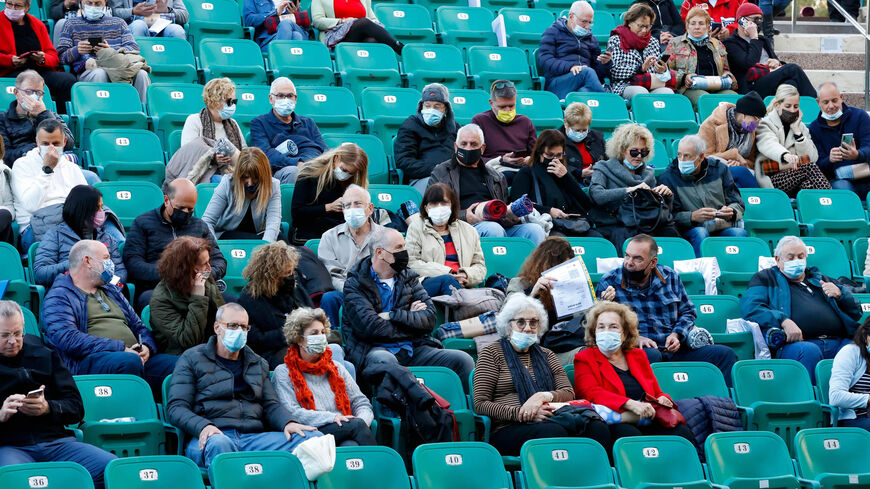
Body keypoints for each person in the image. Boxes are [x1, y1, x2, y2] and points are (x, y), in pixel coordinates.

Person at [166, 302, 322, 469]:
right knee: (220, 444)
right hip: (211, 436)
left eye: (243, 327)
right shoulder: (192, 358)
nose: (239, 331)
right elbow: (176, 407)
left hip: (253, 438)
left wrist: (288, 423)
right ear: (217, 327)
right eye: (232, 326)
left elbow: (271, 405)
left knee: (312, 439)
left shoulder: (257, 362)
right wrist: (204, 426)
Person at [472, 293, 611, 456]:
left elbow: (568, 392)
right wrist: (524, 414)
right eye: (520, 322)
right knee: (553, 431)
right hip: (507, 427)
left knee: (597, 427)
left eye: (533, 322)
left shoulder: (547, 355)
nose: (527, 327)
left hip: (551, 417)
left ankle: (595, 478)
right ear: (508, 327)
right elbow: (481, 404)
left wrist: (542, 397)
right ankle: (560, 480)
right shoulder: (491, 353)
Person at [0, 300, 116, 489]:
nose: (13, 341)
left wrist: (48, 408)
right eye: (4, 335)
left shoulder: (44, 355)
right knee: (17, 480)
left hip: (56, 442)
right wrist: (1, 415)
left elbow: (76, 408)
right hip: (10, 446)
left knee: (111, 468)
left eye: (17, 333)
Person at [598, 234, 737, 384]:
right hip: (637, 351)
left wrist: (677, 334)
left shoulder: (669, 276)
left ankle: (721, 403)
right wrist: (634, 338)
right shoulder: (610, 282)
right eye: (627, 256)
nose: (629, 263)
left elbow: (688, 311)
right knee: (652, 356)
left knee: (724, 354)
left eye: (637, 258)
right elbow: (601, 327)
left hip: (674, 348)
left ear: (653, 263)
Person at [342, 228, 475, 384]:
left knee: (462, 360)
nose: (404, 252)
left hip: (413, 348)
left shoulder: (409, 277)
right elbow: (371, 328)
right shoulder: (355, 283)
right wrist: (410, 318)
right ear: (379, 252)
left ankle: (465, 406)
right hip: (374, 349)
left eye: (404, 246)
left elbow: (429, 319)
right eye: (399, 248)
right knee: (385, 361)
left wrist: (392, 315)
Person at [41, 240, 177, 390]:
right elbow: (68, 338)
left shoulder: (111, 290)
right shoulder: (59, 295)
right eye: (106, 258)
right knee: (129, 361)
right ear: (88, 261)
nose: (111, 263)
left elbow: (139, 326)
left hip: (133, 356)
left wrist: (146, 346)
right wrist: (119, 348)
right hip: (89, 363)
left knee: (181, 364)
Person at [740, 236, 861, 381]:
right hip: (797, 344)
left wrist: (841, 295)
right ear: (778, 260)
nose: (796, 261)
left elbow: (857, 311)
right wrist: (783, 320)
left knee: (859, 349)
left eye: (800, 256)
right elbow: (751, 308)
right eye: (790, 257)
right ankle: (812, 399)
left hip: (838, 341)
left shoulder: (822, 279)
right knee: (809, 350)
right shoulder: (765, 278)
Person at [574, 300, 696, 442]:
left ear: (625, 333)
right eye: (601, 327)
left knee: (682, 434)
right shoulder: (584, 358)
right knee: (630, 436)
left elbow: (656, 392)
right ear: (594, 332)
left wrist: (664, 398)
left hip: (647, 417)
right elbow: (590, 392)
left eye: (613, 327)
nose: (606, 331)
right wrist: (630, 404)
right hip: (617, 420)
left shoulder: (638, 355)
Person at [272, 307, 375, 446]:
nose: (320, 337)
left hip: (347, 427)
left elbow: (360, 402)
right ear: (299, 339)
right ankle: (381, 467)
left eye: (322, 332)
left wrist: (361, 420)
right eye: (314, 333)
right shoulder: (283, 372)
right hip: (311, 431)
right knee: (356, 429)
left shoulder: (336, 368)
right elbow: (292, 412)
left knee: (351, 445)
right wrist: (333, 418)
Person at [429, 124, 546, 246]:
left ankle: (531, 265)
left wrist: (511, 216)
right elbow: (434, 210)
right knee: (493, 229)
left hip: (496, 225)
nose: (468, 149)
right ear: (455, 147)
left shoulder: (496, 176)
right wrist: (465, 216)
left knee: (535, 231)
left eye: (474, 144)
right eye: (463, 144)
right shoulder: (441, 172)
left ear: (482, 148)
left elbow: (502, 212)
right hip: (460, 227)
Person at [124, 178, 227, 310]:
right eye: (180, 208)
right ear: (167, 200)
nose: (185, 212)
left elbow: (219, 260)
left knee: (231, 303)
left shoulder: (199, 226)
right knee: (147, 300)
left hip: (196, 288)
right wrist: (173, 275)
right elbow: (133, 262)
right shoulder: (143, 223)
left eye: (190, 209)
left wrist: (201, 276)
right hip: (159, 288)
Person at [588, 123, 678, 248]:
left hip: (642, 223)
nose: (639, 156)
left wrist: (666, 196)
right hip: (614, 224)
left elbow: (653, 208)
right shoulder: (603, 168)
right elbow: (597, 195)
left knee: (670, 231)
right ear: (622, 149)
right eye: (634, 152)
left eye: (644, 152)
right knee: (628, 235)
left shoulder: (648, 174)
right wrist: (629, 190)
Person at [657, 135, 748, 257]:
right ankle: (704, 272)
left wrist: (732, 211)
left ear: (701, 157)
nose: (682, 160)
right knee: (700, 232)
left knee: (739, 233)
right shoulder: (668, 177)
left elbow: (738, 202)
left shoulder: (719, 169)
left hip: (721, 226)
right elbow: (668, 216)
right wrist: (692, 216)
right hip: (688, 230)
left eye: (687, 156)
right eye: (679, 155)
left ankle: (737, 274)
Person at [507, 237, 590, 363]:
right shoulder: (519, 284)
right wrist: (533, 295)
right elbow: (507, 318)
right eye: (559, 267)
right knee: (585, 355)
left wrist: (601, 302)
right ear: (545, 265)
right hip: (536, 349)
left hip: (564, 343)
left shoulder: (570, 285)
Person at [11, 118, 87, 252]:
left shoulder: (72, 168)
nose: (51, 148)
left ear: (64, 142)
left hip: (69, 222)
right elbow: (31, 205)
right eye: (45, 143)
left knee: (108, 224)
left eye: (56, 143)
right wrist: (47, 170)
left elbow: (87, 202)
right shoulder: (21, 165)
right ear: (37, 142)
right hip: (34, 226)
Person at [54, 0, 151, 103]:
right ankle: (101, 112)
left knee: (141, 74)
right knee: (100, 73)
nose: (93, 6)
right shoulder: (70, 24)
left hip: (118, 67)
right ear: (81, 2)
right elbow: (60, 57)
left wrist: (111, 51)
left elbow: (134, 48)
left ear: (105, 2)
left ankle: (143, 113)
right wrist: (76, 50)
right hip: (90, 69)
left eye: (97, 3)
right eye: (89, 3)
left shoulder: (119, 23)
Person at [237, 241, 314, 368]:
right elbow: (256, 340)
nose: (291, 277)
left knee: (334, 349)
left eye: (291, 271)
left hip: (304, 343)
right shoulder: (250, 299)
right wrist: (292, 333)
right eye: (286, 273)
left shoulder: (295, 289)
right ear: (271, 276)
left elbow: (312, 315)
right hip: (273, 353)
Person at [510, 129, 600, 237]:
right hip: (546, 225)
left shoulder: (563, 171)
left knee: (597, 237)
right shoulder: (528, 172)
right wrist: (548, 210)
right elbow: (517, 204)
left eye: (559, 155)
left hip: (570, 224)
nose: (555, 159)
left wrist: (566, 177)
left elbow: (585, 203)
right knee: (560, 241)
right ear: (540, 152)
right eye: (550, 155)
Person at [317, 184, 384, 329]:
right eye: (347, 205)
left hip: (378, 293)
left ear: (370, 208)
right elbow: (332, 275)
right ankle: (335, 342)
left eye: (358, 204)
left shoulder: (387, 236)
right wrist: (353, 291)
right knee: (329, 298)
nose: (352, 209)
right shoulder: (329, 237)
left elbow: (393, 271)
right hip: (345, 292)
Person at [33, 184, 127, 287]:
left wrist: (102, 282)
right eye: (97, 208)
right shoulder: (55, 236)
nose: (102, 212)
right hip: (68, 294)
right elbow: (40, 274)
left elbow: (120, 273)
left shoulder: (106, 238)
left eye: (101, 207)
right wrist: (74, 263)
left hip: (102, 295)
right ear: (82, 210)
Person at [405, 182, 486, 299]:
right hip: (428, 284)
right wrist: (448, 273)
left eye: (444, 203)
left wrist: (465, 275)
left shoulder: (469, 230)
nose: (439, 207)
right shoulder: (416, 228)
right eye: (434, 203)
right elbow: (411, 263)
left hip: (462, 283)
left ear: (452, 205)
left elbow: (479, 266)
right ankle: (465, 311)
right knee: (447, 281)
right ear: (426, 208)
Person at [149, 236, 225, 356]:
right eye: (205, 264)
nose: (209, 268)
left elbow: (222, 317)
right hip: (180, 355)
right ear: (187, 269)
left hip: (212, 348)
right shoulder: (161, 300)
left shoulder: (204, 277)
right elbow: (189, 341)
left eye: (209, 262)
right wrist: (198, 298)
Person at [723, 3, 816, 98]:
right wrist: (754, 38)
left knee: (790, 84)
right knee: (793, 68)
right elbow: (749, 63)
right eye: (755, 19)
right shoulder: (730, 43)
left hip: (770, 78)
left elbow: (777, 63)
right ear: (741, 21)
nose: (758, 22)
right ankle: (818, 105)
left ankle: (802, 110)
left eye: (760, 19)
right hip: (751, 85)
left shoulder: (763, 40)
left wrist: (777, 62)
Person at [250, 77, 328, 185]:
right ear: (271, 99)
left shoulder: (308, 122)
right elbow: (265, 155)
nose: (285, 100)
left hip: (313, 164)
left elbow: (324, 149)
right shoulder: (259, 123)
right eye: (280, 96)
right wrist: (298, 163)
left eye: (290, 96)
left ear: (295, 99)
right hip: (283, 170)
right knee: (294, 171)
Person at [754, 83, 829, 194]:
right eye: (788, 106)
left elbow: (812, 157)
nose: (793, 111)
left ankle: (821, 208)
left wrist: (797, 132)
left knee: (808, 186)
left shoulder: (800, 126)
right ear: (777, 105)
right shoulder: (765, 123)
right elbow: (769, 144)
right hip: (772, 179)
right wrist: (786, 155)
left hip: (796, 178)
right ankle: (832, 200)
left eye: (796, 106)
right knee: (809, 168)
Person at [0, 0, 76, 108]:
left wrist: (43, 58)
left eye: (17, 6)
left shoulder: (37, 24)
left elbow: (53, 56)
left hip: (39, 71)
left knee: (67, 80)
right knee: (28, 82)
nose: (12, 8)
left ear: (27, 7)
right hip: (10, 72)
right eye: (9, 4)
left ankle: (60, 118)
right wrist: (10, 60)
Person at [290, 142, 368, 244]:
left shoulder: (352, 180)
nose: (346, 175)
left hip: (338, 232)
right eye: (344, 170)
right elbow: (297, 212)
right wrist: (329, 207)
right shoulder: (309, 173)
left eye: (351, 173)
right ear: (336, 158)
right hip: (308, 232)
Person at [663, 7, 738, 110]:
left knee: (735, 99)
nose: (697, 27)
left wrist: (727, 76)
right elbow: (666, 72)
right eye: (693, 23)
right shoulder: (675, 43)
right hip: (689, 88)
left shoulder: (718, 44)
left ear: (708, 27)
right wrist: (684, 77)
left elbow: (725, 70)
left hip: (717, 87)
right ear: (687, 26)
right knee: (704, 99)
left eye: (701, 23)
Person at [202, 147, 282, 242]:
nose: (250, 183)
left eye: (256, 178)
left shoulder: (273, 186)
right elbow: (207, 221)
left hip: (257, 235)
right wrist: (216, 248)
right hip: (226, 235)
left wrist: (266, 249)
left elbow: (273, 223)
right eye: (245, 177)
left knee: (281, 240)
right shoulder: (227, 183)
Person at [537, 1, 610, 100]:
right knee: (587, 72)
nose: (587, 26)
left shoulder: (591, 39)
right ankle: (606, 101)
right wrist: (570, 67)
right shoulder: (552, 32)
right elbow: (545, 60)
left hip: (583, 83)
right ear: (571, 16)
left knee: (583, 93)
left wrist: (605, 63)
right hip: (558, 83)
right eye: (584, 21)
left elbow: (598, 72)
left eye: (590, 22)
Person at [394, 83, 458, 193]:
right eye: (427, 106)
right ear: (421, 107)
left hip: (453, 178)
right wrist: (438, 169)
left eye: (437, 106)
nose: (431, 110)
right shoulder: (410, 125)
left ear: (446, 109)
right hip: (421, 179)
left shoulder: (454, 128)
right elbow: (404, 161)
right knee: (441, 189)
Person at [0, 71, 74, 165]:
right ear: (16, 92)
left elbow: (68, 144)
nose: (34, 96)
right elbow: (4, 156)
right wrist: (36, 150)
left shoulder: (51, 115)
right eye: (28, 92)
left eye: (38, 93)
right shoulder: (3, 119)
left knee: (90, 177)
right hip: (23, 167)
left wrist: (43, 115)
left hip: (55, 166)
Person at [809, 82, 870, 195]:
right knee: (843, 190)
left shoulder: (860, 116)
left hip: (865, 174)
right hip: (838, 180)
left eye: (834, 100)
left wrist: (858, 154)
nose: (831, 106)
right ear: (818, 103)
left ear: (841, 97)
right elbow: (816, 166)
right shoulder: (814, 129)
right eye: (826, 102)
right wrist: (830, 160)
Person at [697, 90, 767, 188]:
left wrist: (739, 163)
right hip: (711, 169)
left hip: (732, 175)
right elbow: (704, 157)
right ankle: (761, 199)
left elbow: (751, 161)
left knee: (737, 185)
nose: (758, 124)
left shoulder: (750, 131)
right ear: (744, 115)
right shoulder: (710, 125)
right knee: (741, 172)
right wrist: (733, 156)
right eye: (757, 119)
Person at [470, 80, 536, 181]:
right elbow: (473, 157)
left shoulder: (525, 122)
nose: (507, 110)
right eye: (502, 107)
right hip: (494, 170)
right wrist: (501, 160)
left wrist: (529, 159)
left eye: (511, 106)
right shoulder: (480, 121)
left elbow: (536, 154)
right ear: (491, 103)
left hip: (522, 170)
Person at [607, 3, 673, 102]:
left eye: (648, 26)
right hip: (626, 84)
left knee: (668, 93)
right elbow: (614, 71)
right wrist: (640, 69)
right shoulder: (616, 40)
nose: (644, 30)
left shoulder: (653, 41)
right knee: (641, 93)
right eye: (640, 26)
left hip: (651, 84)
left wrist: (662, 70)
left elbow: (659, 73)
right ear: (629, 22)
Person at [179, 77, 245, 155]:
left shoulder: (233, 123)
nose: (233, 105)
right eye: (229, 101)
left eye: (234, 101)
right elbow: (188, 152)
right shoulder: (194, 121)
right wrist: (213, 158)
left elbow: (243, 152)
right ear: (213, 101)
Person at [311, 0, 402, 54]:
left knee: (372, 42)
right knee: (364, 22)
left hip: (361, 33)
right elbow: (317, 21)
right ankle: (398, 47)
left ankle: (371, 81)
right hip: (337, 36)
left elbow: (373, 19)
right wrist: (341, 21)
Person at [829, 320, 870, 430]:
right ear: (865, 336)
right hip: (853, 418)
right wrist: (868, 399)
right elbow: (835, 397)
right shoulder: (850, 352)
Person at [558, 102, 605, 183]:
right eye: (577, 130)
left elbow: (608, 159)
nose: (581, 133)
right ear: (566, 123)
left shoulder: (597, 137)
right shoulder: (555, 139)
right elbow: (554, 165)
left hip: (597, 180)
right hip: (570, 182)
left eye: (584, 130)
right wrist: (579, 173)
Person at [107, 0, 188, 39]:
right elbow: (113, 12)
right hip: (133, 25)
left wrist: (167, 10)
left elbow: (184, 16)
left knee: (177, 30)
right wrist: (133, 11)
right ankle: (138, 66)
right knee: (139, 25)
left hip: (164, 27)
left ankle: (177, 69)